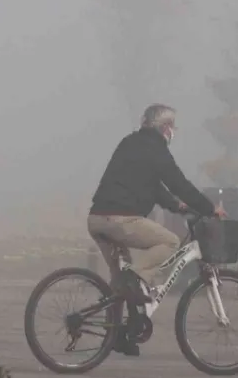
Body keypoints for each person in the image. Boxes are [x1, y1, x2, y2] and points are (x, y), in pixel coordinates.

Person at [87, 103, 226, 356]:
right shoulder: (156, 148)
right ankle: (138, 277)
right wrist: (208, 208)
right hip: (121, 219)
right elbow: (178, 182)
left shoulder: (130, 143)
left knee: (120, 282)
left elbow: (152, 186)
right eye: (172, 127)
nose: (173, 132)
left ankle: (119, 335)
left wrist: (177, 206)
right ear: (165, 127)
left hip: (97, 219)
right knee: (171, 242)